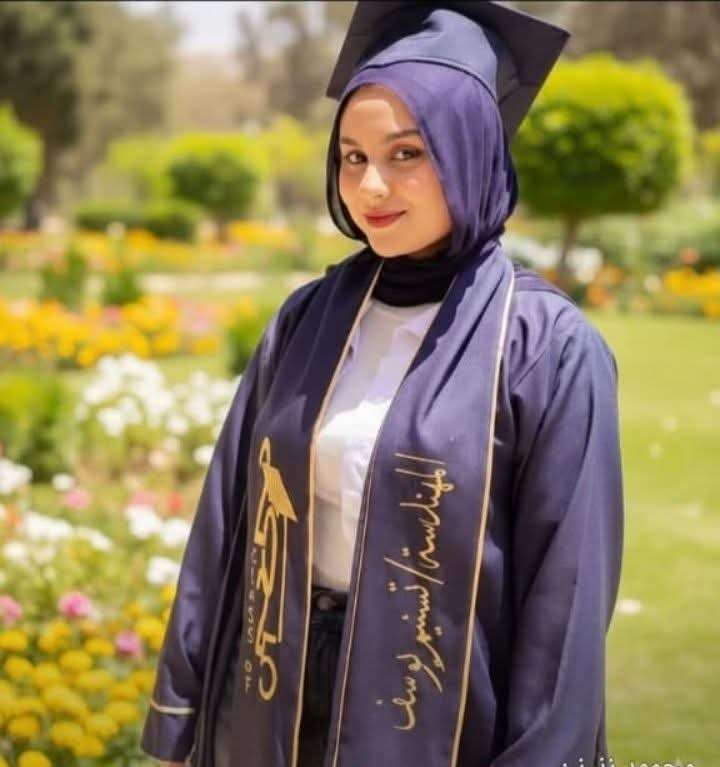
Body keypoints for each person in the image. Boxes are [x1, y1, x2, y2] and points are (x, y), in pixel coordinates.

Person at [141, 3, 624, 767]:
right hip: (270, 700)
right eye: (352, 156)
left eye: (407, 153)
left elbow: (565, 605)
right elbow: (225, 522)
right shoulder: (308, 319)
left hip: (439, 722)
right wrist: (180, 718)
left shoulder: (546, 348)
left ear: (471, 150)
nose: (371, 185)